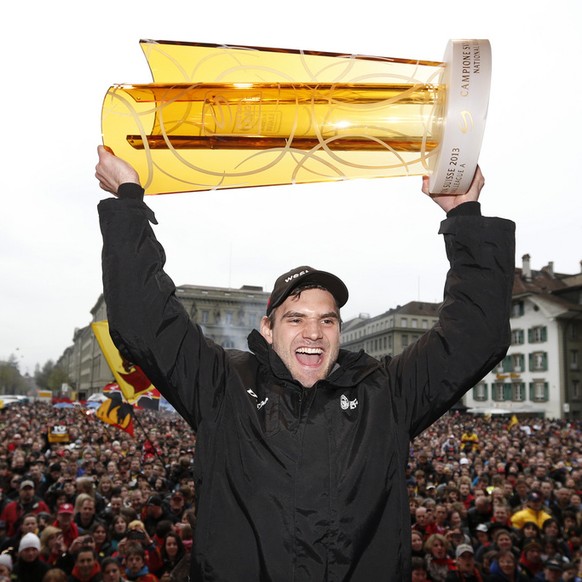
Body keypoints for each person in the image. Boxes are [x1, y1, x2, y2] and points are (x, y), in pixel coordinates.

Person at [96, 145, 515, 581]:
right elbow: (145, 321)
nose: (313, 332)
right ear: (268, 328)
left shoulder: (384, 392)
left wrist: (464, 216)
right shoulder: (223, 385)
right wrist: (128, 201)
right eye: (295, 318)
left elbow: (475, 335)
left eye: (326, 320)